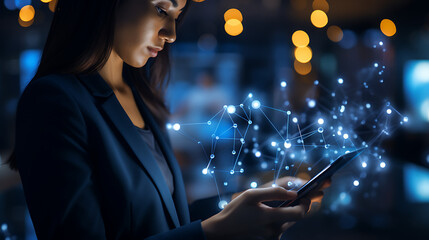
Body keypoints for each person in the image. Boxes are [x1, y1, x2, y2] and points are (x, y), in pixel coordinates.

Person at [6, 0, 330, 239]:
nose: (172, 33)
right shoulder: (54, 101)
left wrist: (244, 202)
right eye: (162, 9)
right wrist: (215, 233)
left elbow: (159, 221)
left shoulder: (138, 96)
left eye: (177, 16)